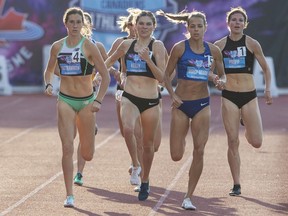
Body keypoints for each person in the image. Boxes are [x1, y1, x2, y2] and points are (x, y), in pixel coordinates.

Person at [158, 9, 226, 210]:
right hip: (181, 105)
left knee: (200, 150)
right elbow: (166, 76)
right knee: (176, 155)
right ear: (187, 27)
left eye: (199, 26)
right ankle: (182, 139)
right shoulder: (179, 48)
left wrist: (219, 81)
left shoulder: (213, 51)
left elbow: (222, 76)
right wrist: (172, 95)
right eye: (192, 26)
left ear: (205, 28)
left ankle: (188, 196)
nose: (196, 29)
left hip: (202, 104)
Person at [44, 7, 110, 208]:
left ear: (83, 24)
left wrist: (98, 100)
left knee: (87, 153)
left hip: (87, 103)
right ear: (65, 24)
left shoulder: (89, 46)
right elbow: (49, 71)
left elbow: (105, 76)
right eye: (71, 22)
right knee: (67, 147)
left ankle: (89, 131)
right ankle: (69, 195)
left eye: (77, 22)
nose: (74, 25)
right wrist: (48, 84)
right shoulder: (57, 47)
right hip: (65, 100)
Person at [105, 10, 166, 201]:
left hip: (150, 100)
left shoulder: (158, 46)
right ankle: (135, 163)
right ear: (135, 25)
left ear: (154, 27)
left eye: (148, 24)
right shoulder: (126, 44)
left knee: (149, 146)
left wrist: (148, 59)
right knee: (129, 129)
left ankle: (145, 179)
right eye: (141, 24)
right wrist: (100, 74)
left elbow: (162, 78)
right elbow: (107, 61)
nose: (144, 27)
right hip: (129, 96)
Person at [213, 6, 273, 196]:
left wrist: (268, 89)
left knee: (256, 142)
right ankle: (236, 184)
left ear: (245, 24)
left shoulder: (252, 43)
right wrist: (216, 79)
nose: (237, 23)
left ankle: (245, 122)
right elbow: (209, 70)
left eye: (240, 20)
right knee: (232, 141)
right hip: (229, 96)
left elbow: (265, 68)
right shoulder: (220, 45)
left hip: (249, 95)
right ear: (228, 23)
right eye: (234, 20)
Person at [73, 11, 109, 187]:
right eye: (75, 23)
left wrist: (99, 78)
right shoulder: (66, 45)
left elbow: (107, 68)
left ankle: (79, 173)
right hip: (68, 95)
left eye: (82, 23)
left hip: (88, 95)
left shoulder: (97, 46)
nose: (78, 26)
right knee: (69, 134)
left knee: (83, 134)